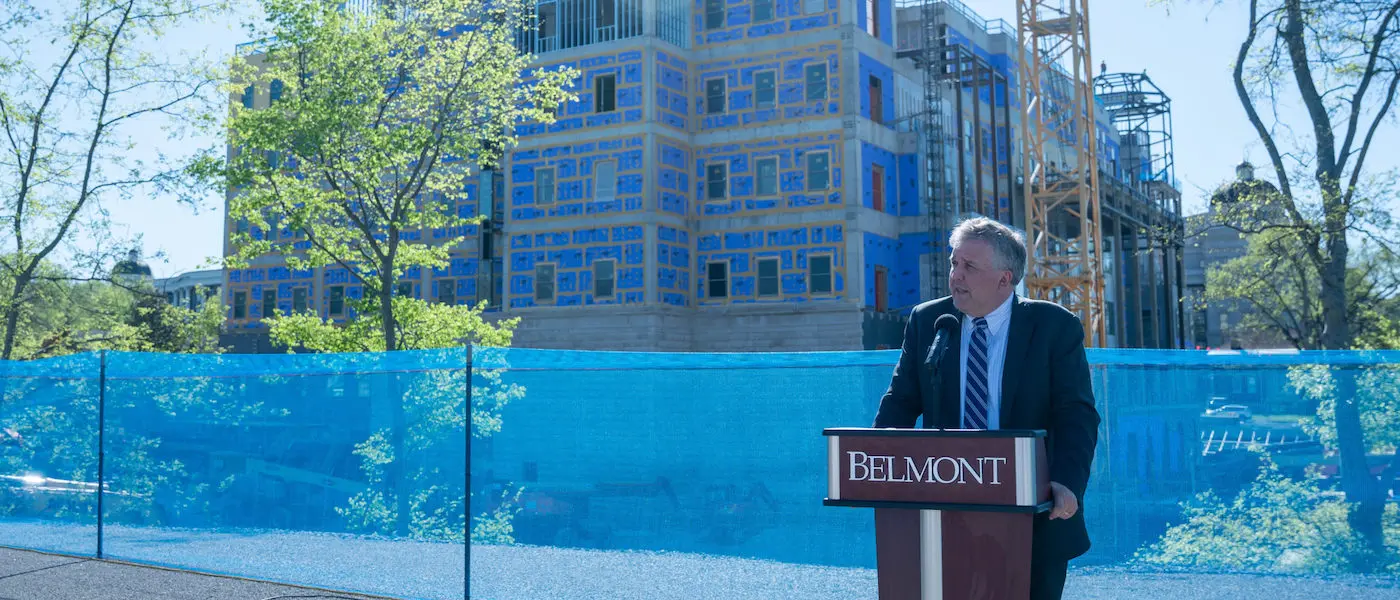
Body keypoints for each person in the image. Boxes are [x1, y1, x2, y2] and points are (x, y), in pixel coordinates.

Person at [872, 216, 1100, 600]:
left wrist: (1066, 482)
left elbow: (1076, 414)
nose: (956, 275)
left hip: (1032, 513)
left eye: (969, 266)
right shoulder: (930, 321)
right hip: (945, 512)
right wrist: (875, 462)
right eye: (954, 263)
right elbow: (900, 402)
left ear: (1004, 279)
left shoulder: (1053, 326)